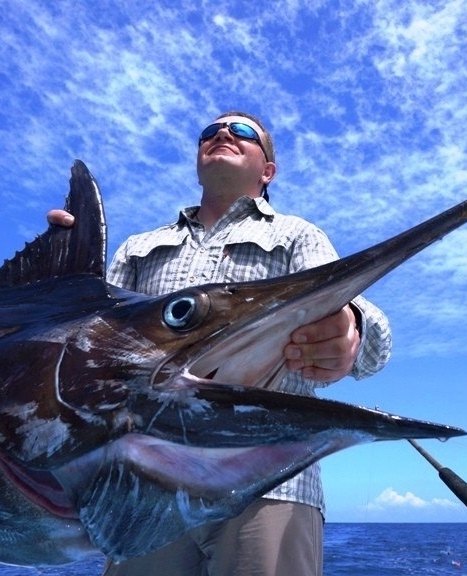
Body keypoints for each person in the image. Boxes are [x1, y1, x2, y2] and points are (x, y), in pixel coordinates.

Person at [47, 111, 392, 576]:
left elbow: (372, 346)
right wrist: (62, 274)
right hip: (143, 490)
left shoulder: (297, 236)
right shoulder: (136, 247)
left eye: (243, 132)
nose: (223, 134)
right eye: (210, 132)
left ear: (267, 171)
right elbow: (85, 347)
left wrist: (351, 326)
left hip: (269, 485)